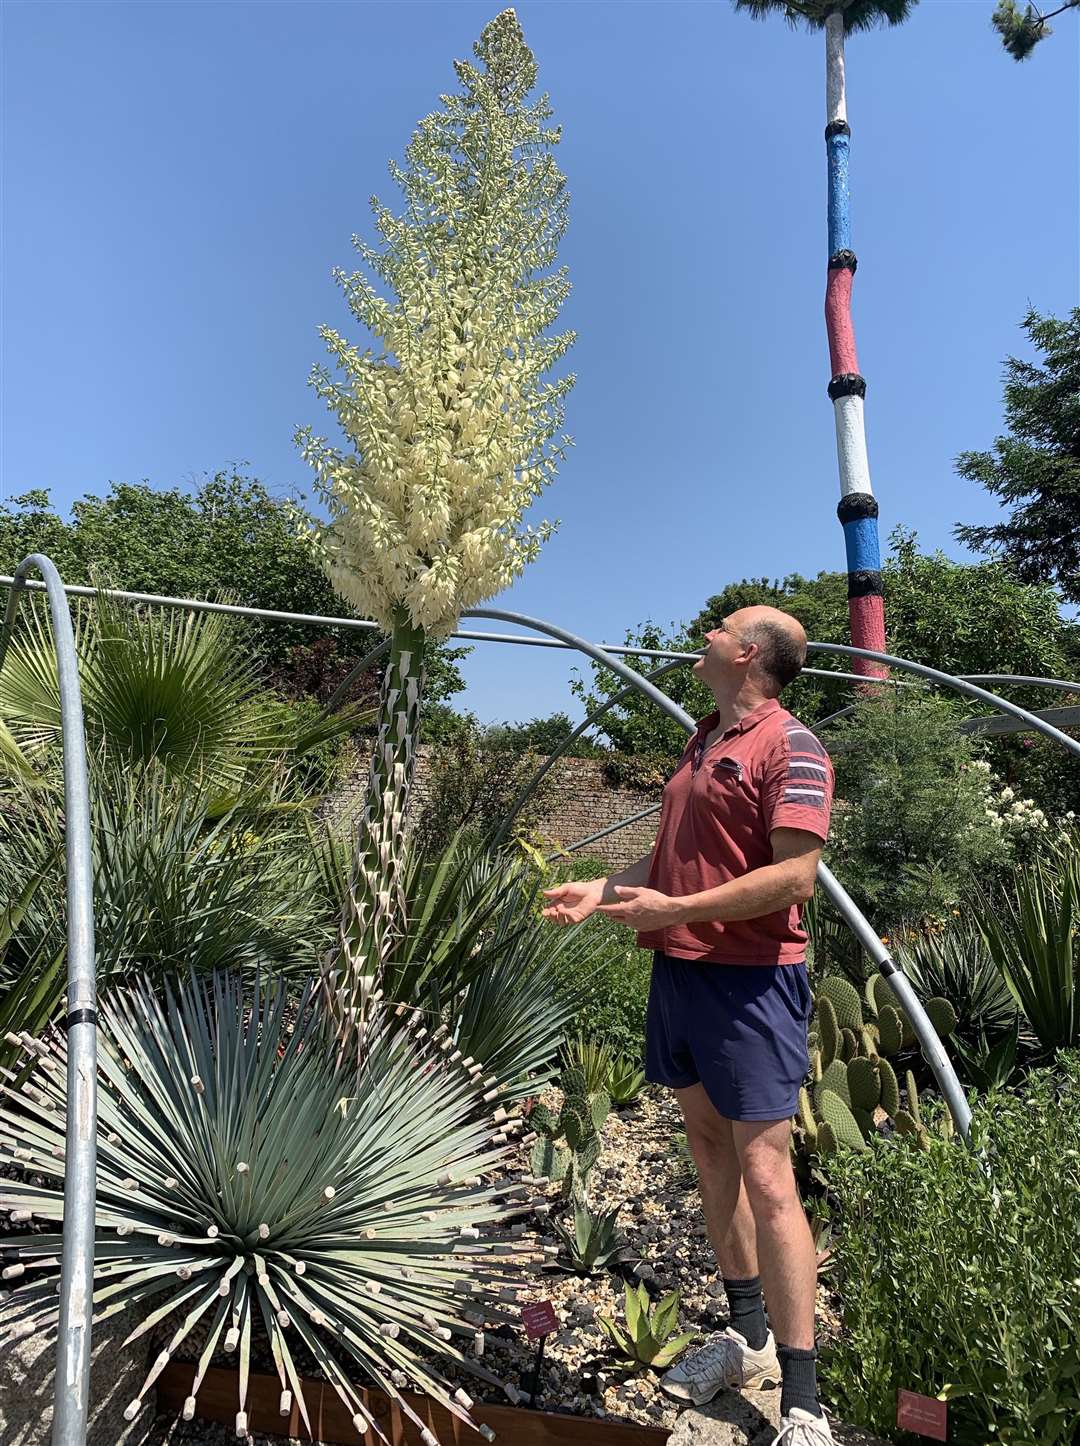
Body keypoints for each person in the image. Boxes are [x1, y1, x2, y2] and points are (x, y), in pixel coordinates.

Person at [542, 606, 835, 1446]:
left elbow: (795, 879)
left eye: (725, 624)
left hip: (751, 985)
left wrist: (679, 907)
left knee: (768, 1173)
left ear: (750, 653)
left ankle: (804, 1400)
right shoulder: (703, 739)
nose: (706, 628)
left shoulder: (792, 746)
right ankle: (744, 1340)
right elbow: (671, 856)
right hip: (680, 972)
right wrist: (604, 888)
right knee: (708, 1150)